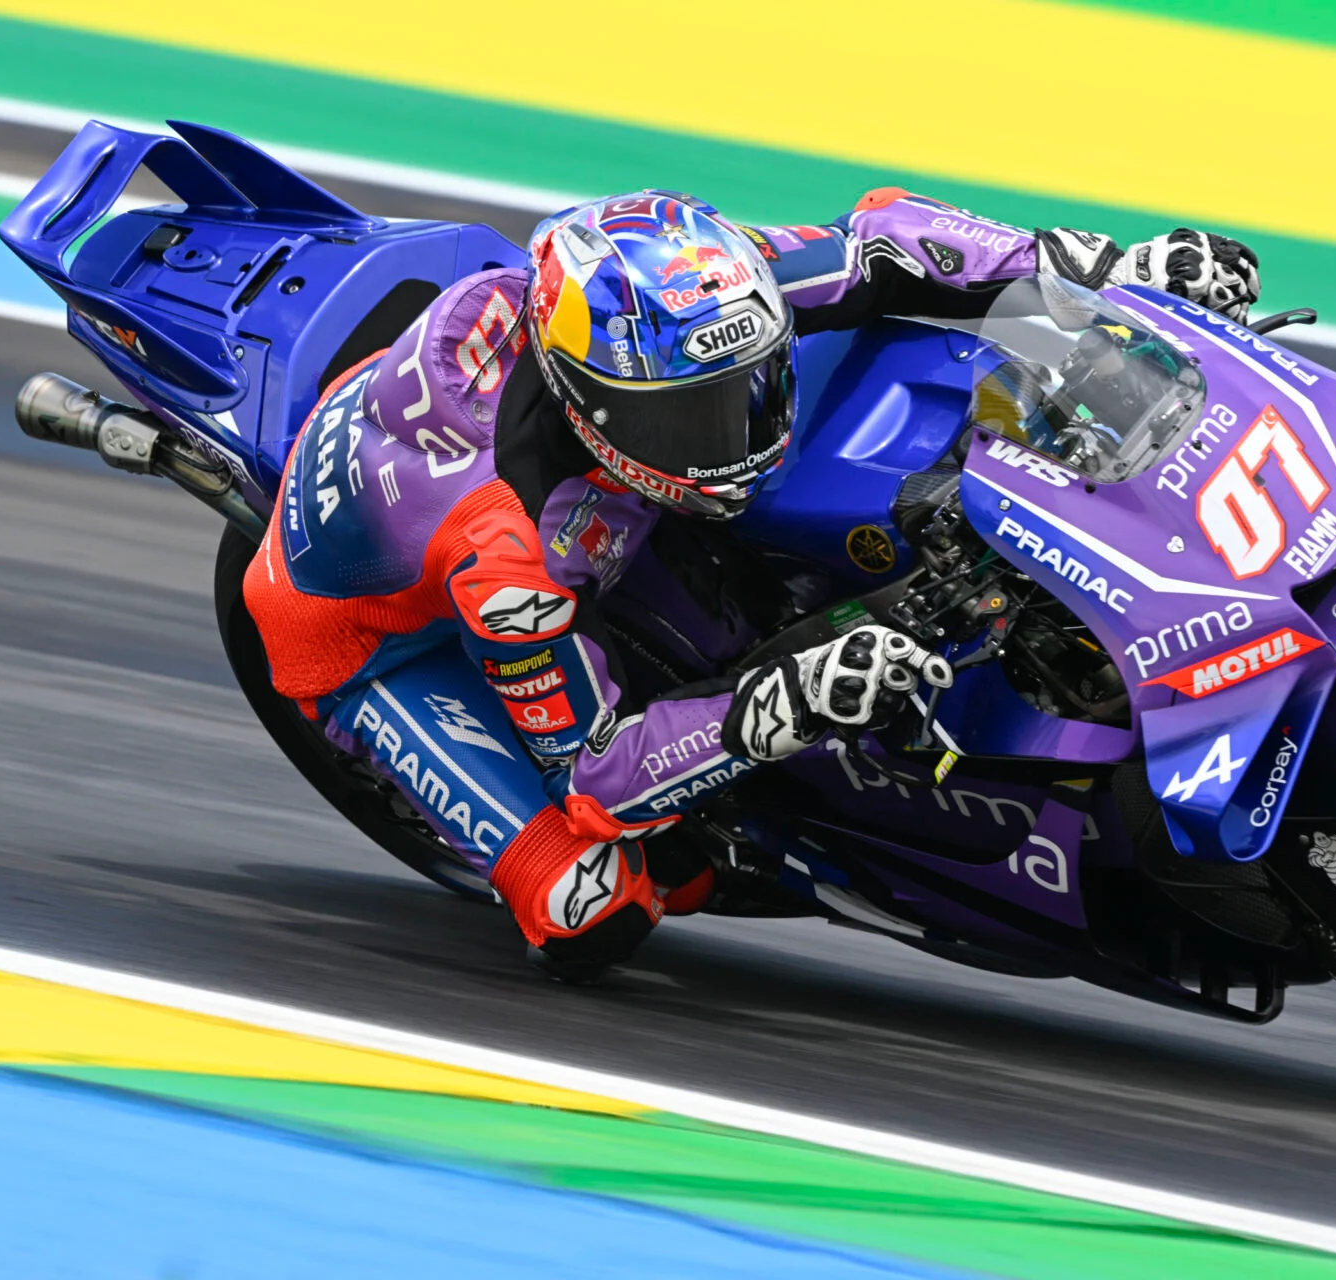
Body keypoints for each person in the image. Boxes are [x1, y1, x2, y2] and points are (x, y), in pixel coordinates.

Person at [243, 186, 1260, 978]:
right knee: (592, 906)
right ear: (590, 405)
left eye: (750, 389)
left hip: (514, 466)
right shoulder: (510, 561)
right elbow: (592, 775)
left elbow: (881, 239)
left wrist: (1105, 269)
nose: (736, 435)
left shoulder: (700, 293)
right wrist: (781, 705)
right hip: (368, 640)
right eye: (691, 419)